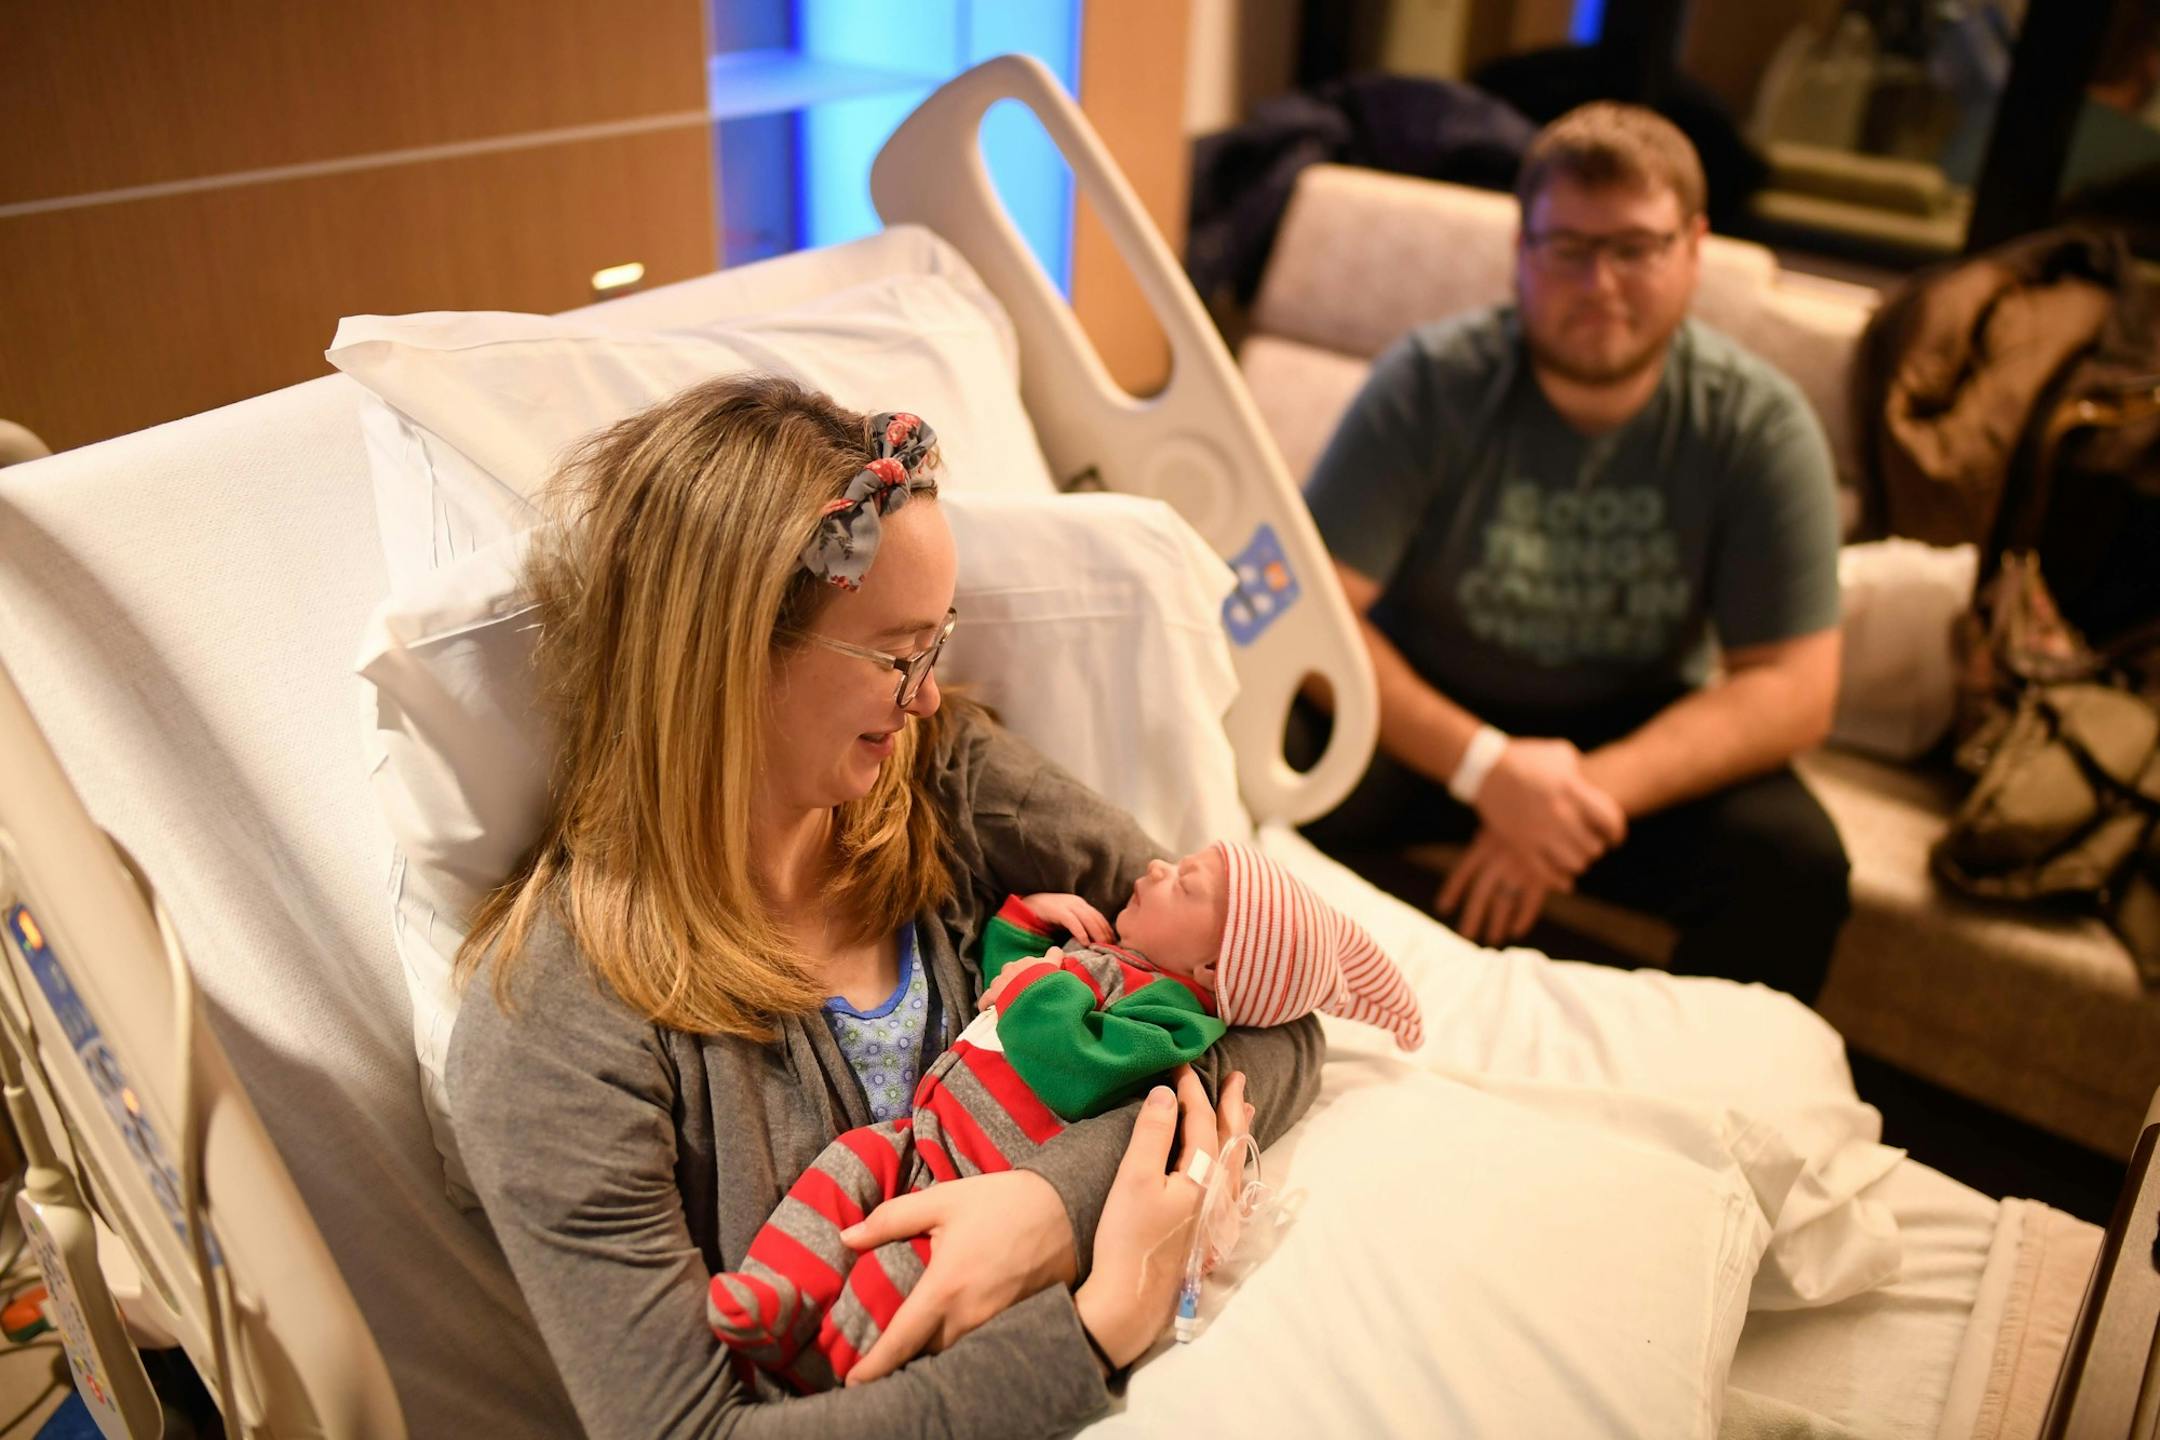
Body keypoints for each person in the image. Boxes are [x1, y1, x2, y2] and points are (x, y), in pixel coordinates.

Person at [444, 378, 1321, 1438]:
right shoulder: (555, 1028)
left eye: (936, 645)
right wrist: (1091, 1334)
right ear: (729, 654)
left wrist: (1053, 1206)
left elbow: (1275, 1013)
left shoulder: (943, 781)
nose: (928, 696)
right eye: (899, 656)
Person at [1297, 101, 1850, 1002]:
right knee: (1255, 752)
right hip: (1424, 717)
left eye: (1636, 248)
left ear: (1694, 248)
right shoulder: (1429, 384)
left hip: (1629, 739)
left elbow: (1796, 688)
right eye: (1568, 248)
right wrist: (1487, 768)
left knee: (1793, 862)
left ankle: (1711, 1080)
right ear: (1521, 250)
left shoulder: (1758, 425)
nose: (1599, 283)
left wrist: (1568, 795)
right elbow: (1309, 614)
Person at [707, 840, 1421, 1394]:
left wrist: (1041, 980)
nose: (1156, 866)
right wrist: (1027, 925)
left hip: (980, 1179)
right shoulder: (1108, 957)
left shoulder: (1174, 1020)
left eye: (1185, 883)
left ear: (1213, 969)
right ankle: (777, 1288)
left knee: (905, 1270)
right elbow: (1001, 986)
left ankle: (826, 1364)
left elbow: (1075, 1066)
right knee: (845, 1164)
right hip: (924, 1131)